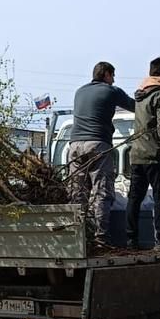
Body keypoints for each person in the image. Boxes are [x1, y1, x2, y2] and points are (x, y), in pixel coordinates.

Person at [67, 62, 134, 251]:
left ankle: (77, 237)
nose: (114, 80)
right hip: (97, 144)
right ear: (106, 75)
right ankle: (100, 238)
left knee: (77, 192)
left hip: (74, 146)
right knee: (101, 192)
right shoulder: (111, 91)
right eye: (113, 75)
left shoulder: (80, 91)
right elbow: (134, 106)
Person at [125, 56, 160, 252]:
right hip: (156, 156)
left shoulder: (140, 96)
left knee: (135, 198)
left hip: (136, 154)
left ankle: (131, 240)